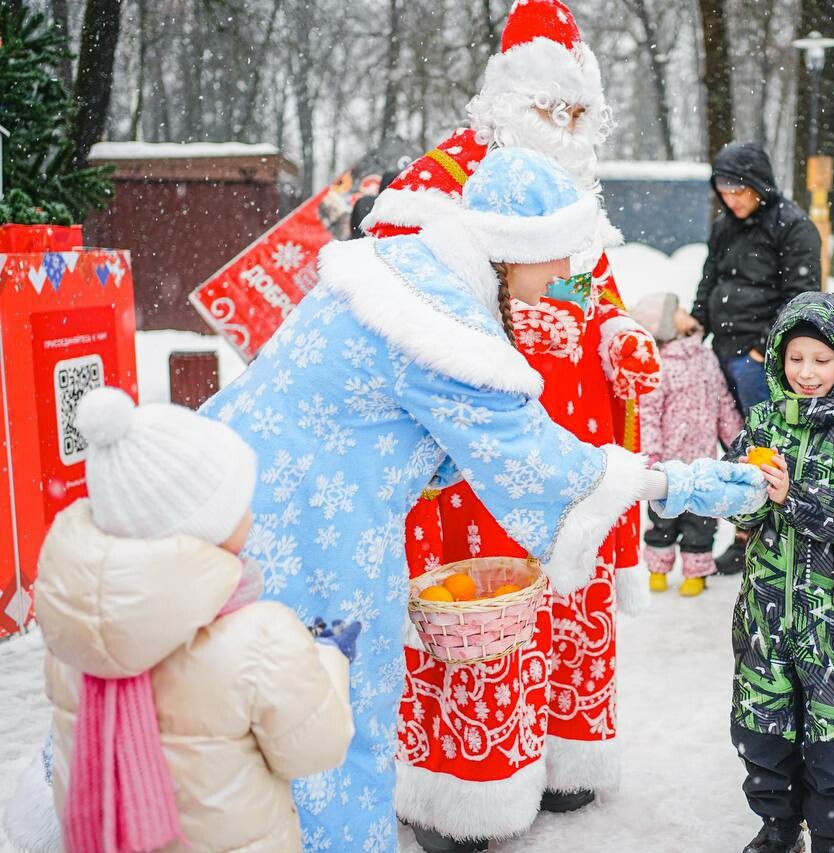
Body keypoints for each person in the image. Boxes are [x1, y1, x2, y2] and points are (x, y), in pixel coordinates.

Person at [203, 147, 766, 849]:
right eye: (557, 255)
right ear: (509, 250)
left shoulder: (399, 269)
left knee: (239, 724)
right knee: (338, 727)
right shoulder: (442, 331)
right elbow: (548, 468)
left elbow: (402, 431)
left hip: (224, 489)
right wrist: (681, 482)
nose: (568, 275)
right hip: (317, 530)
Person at [362, 6, 664, 842]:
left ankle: (563, 756)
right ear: (506, 101)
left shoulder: (572, 193)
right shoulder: (437, 180)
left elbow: (592, 294)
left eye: (578, 115)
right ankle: (465, 786)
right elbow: (400, 295)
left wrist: (617, 334)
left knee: (566, 597)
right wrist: (500, 327)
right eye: (551, 111)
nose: (565, 129)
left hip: (570, 443)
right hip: (476, 452)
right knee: (482, 609)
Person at [35, 388, 355, 851]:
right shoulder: (259, 636)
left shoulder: (74, 634)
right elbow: (313, 749)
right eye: (239, 501)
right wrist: (329, 659)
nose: (250, 512)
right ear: (205, 526)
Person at [725, 292, 834, 853]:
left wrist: (793, 494)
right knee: (762, 730)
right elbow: (742, 510)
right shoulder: (764, 420)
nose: (807, 372)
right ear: (778, 359)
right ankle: (777, 826)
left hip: (833, 623)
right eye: (796, 358)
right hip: (766, 614)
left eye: (822, 360)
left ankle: (831, 835)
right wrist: (735, 491)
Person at [692, 141, 822, 577]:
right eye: (724, 191)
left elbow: (801, 297)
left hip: (758, 358)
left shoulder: (793, 227)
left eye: (738, 190)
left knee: (764, 446)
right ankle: (738, 522)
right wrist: (697, 321)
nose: (732, 200)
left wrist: (766, 345)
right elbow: (709, 277)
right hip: (720, 350)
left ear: (758, 185)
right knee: (733, 445)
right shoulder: (724, 225)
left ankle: (755, 535)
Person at [634, 292, 743, 597]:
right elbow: (649, 413)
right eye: (678, 310)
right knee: (663, 519)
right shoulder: (659, 365)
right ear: (667, 326)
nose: (687, 312)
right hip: (667, 465)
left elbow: (723, 401)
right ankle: (658, 567)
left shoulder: (707, 357)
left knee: (701, 520)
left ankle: (695, 572)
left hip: (702, 463)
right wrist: (651, 453)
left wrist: (737, 441)